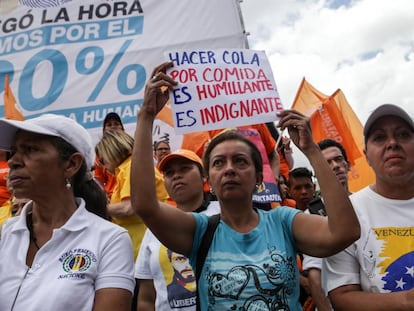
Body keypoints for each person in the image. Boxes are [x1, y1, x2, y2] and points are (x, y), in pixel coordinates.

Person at [130, 61, 360, 310]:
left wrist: (312, 150)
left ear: (259, 178)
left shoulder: (283, 222)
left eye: (240, 161)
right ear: (209, 180)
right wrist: (146, 116)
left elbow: (345, 232)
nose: (229, 168)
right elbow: (145, 204)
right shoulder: (199, 231)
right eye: (219, 162)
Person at [0, 114, 135, 310]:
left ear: (71, 164)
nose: (13, 161)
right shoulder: (5, 234)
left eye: (30, 149)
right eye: (13, 151)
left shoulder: (110, 240)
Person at [325, 104, 414, 310]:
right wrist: (406, 302)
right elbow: (342, 296)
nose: (392, 143)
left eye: (402, 134)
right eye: (379, 137)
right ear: (366, 156)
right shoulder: (348, 215)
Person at [135, 149, 219, 310]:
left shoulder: (225, 213)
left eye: (185, 169)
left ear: (204, 177)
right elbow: (146, 297)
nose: (176, 176)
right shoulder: (154, 227)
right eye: (169, 172)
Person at [302, 138, 352, 311]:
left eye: (338, 159)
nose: (335, 165)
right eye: (327, 162)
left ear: (348, 165)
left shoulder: (367, 206)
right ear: (318, 171)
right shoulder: (313, 215)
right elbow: (315, 276)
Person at [94, 112, 125, 199]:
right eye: (109, 124)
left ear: (122, 128)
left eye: (116, 124)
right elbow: (99, 179)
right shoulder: (100, 153)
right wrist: (104, 198)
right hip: (112, 197)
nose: (113, 127)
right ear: (104, 130)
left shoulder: (131, 146)